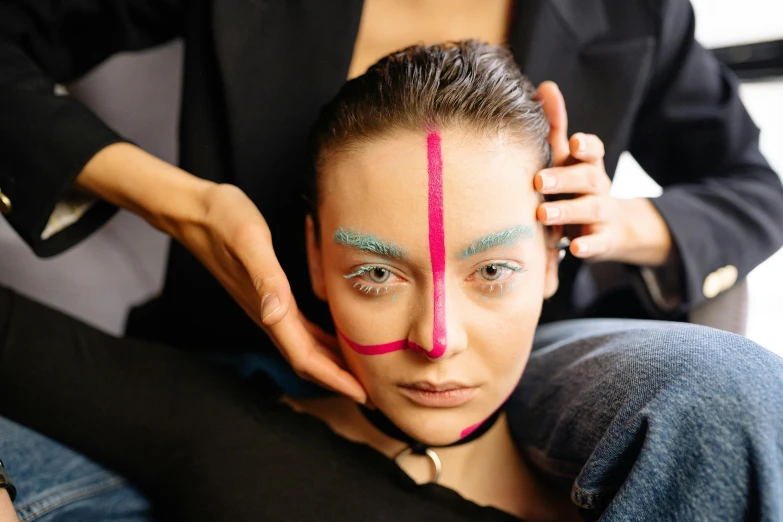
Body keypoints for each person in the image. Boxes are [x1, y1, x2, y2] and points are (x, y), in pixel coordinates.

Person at [1, 0, 782, 517]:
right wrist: (188, 204)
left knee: (726, 389)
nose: (433, 336)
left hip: (524, 363)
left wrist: (613, 221)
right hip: (243, 355)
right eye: (376, 268)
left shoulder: (627, 6)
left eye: (492, 268)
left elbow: (755, 190)